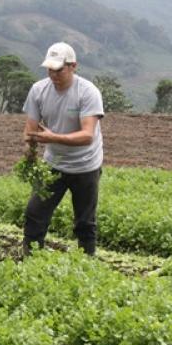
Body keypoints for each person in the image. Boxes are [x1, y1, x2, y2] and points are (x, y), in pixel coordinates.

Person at [22, 42, 104, 256]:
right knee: (34, 214)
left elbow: (87, 135)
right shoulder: (39, 90)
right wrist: (29, 152)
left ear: (73, 66)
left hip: (85, 165)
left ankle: (87, 264)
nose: (53, 75)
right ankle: (30, 261)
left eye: (58, 70)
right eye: (49, 69)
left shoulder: (87, 92)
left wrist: (52, 138)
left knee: (85, 222)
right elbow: (30, 129)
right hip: (53, 164)